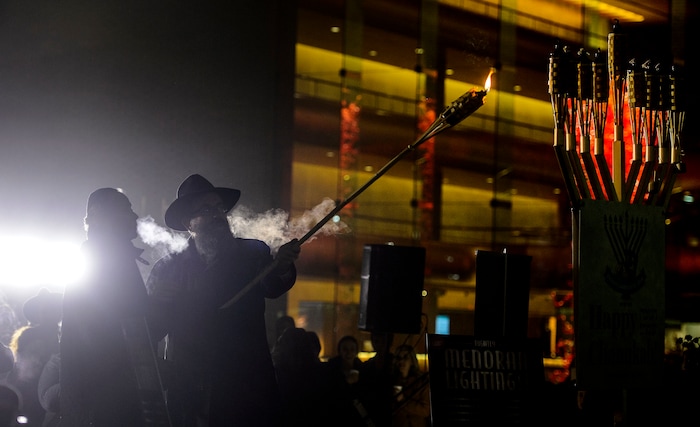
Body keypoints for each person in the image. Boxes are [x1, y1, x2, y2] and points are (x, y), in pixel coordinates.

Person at [146, 174, 301, 427]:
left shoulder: (252, 252)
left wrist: (282, 266)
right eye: (206, 209)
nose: (217, 214)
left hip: (248, 386)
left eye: (219, 208)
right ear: (189, 223)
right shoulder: (168, 267)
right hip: (192, 392)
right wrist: (157, 304)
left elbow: (273, 286)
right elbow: (151, 329)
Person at [60, 187, 167, 426]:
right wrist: (163, 307)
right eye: (125, 209)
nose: (134, 216)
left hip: (106, 395)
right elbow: (129, 329)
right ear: (98, 214)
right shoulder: (106, 261)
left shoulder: (109, 257)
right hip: (111, 397)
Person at [325, 335, 370, 426]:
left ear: (356, 352)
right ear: (340, 351)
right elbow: (329, 395)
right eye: (345, 349)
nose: (349, 353)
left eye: (352, 349)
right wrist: (346, 382)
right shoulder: (331, 370)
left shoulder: (363, 370)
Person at [359, 331, 395, 426]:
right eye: (376, 341)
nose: (379, 345)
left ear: (389, 342)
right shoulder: (367, 365)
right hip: (372, 413)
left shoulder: (396, 364)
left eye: (383, 341)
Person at [390, 344, 430, 427]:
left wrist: (403, 401)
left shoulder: (422, 382)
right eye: (399, 358)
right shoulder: (390, 381)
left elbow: (426, 410)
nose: (401, 361)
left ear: (412, 361)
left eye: (405, 357)